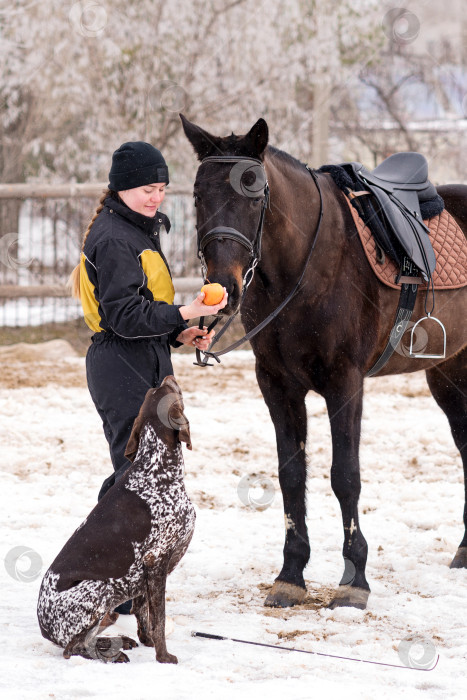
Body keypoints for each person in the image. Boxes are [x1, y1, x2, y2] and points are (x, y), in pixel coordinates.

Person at [69, 140, 226, 507]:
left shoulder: (136, 229)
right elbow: (123, 316)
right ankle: (102, 553)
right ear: (122, 188)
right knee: (137, 472)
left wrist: (178, 332)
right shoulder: (113, 238)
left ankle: (123, 554)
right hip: (120, 365)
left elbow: (143, 302)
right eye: (147, 190)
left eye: (161, 190)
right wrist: (184, 312)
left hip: (146, 357)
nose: (156, 198)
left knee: (157, 468)